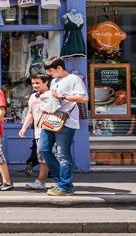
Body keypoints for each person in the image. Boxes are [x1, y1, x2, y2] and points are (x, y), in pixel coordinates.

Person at [41, 57, 88, 196]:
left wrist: (62, 96)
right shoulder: (54, 81)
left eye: (51, 70)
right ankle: (61, 181)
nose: (49, 73)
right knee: (43, 149)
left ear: (59, 68)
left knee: (63, 153)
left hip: (67, 121)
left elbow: (84, 98)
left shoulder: (74, 79)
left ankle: (65, 186)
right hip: (52, 118)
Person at [18, 73, 51, 190]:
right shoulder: (33, 97)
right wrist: (24, 128)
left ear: (45, 82)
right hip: (38, 131)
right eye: (33, 83)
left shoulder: (51, 95)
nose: (35, 85)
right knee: (42, 156)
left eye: (38, 83)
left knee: (47, 156)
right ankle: (43, 181)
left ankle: (42, 181)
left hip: (50, 131)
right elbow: (30, 113)